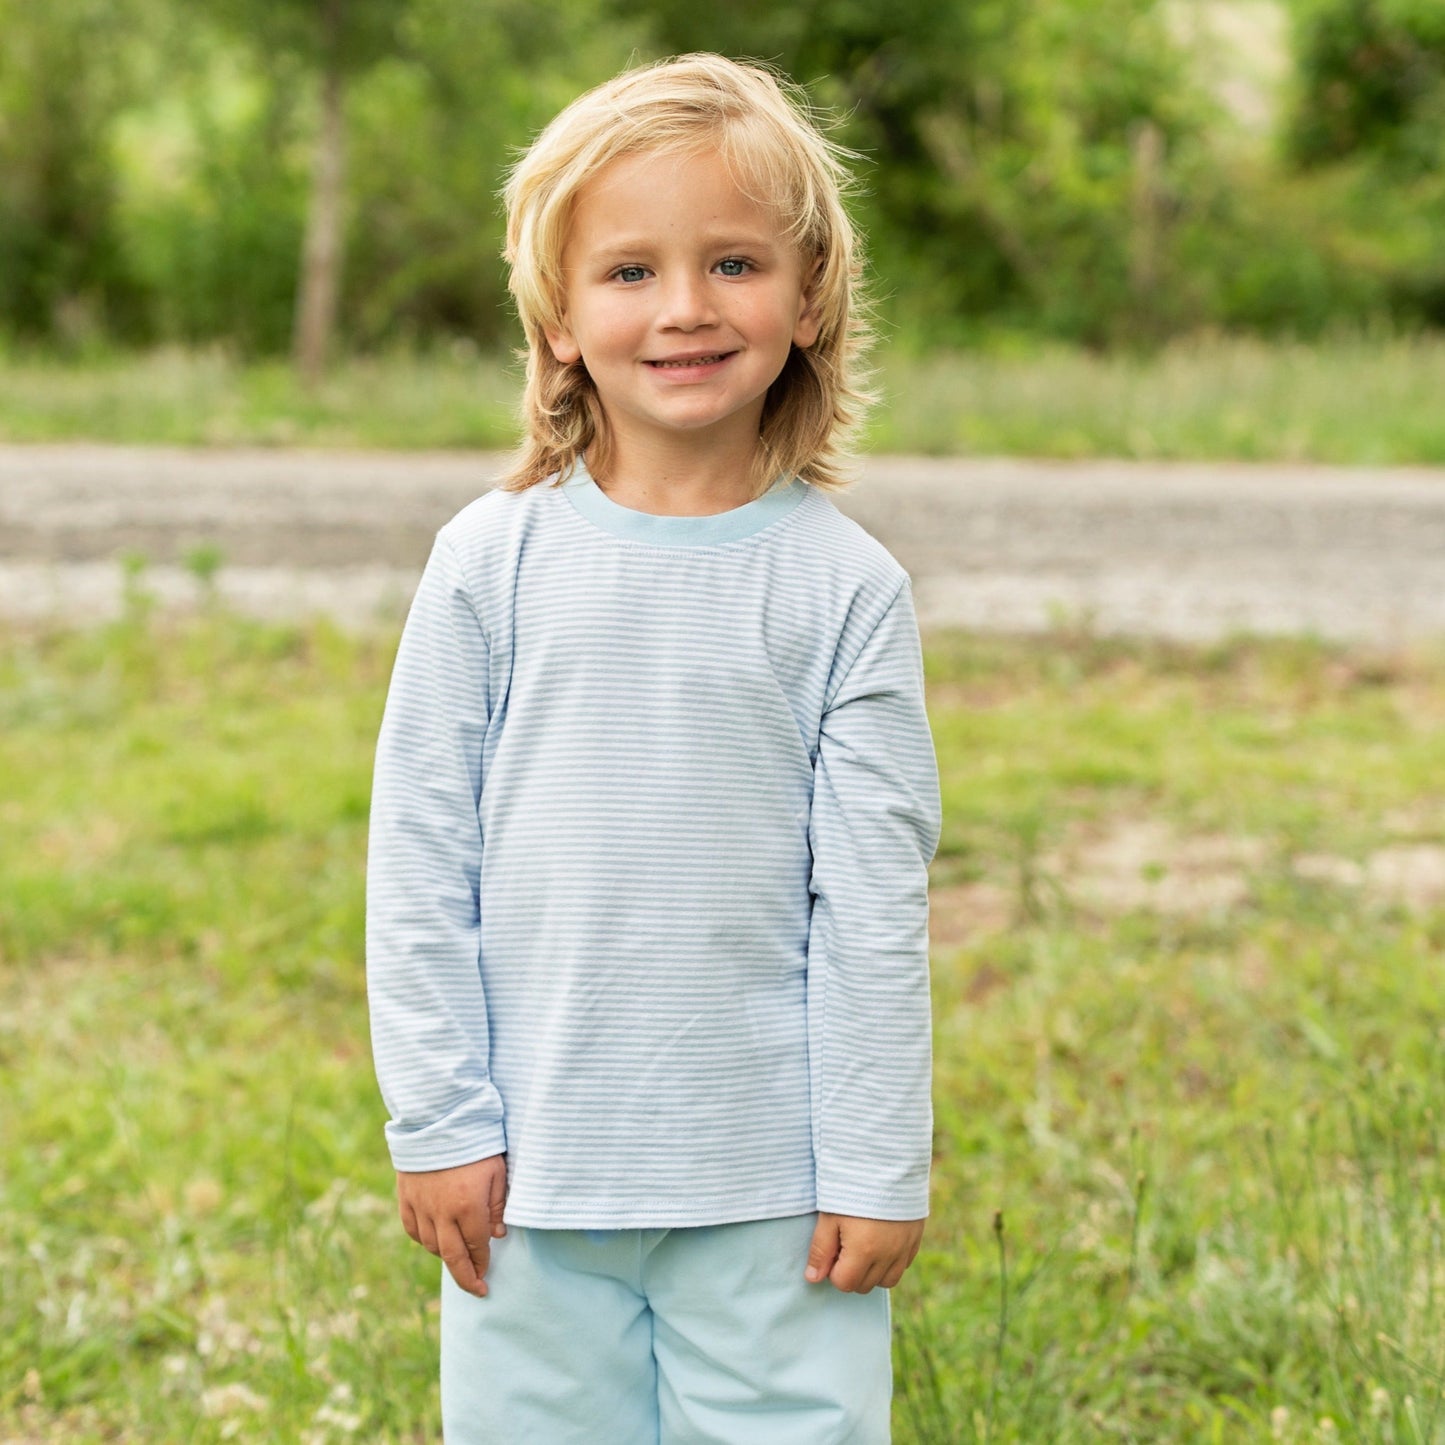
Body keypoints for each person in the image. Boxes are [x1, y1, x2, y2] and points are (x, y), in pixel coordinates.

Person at [365, 52, 941, 1444]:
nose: (683, 307)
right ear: (556, 316)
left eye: (733, 261)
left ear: (806, 300)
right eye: (628, 272)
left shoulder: (843, 587)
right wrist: (441, 1121)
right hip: (530, 1186)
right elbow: (419, 860)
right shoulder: (487, 563)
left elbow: (872, 911)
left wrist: (876, 1161)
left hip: (773, 1192)